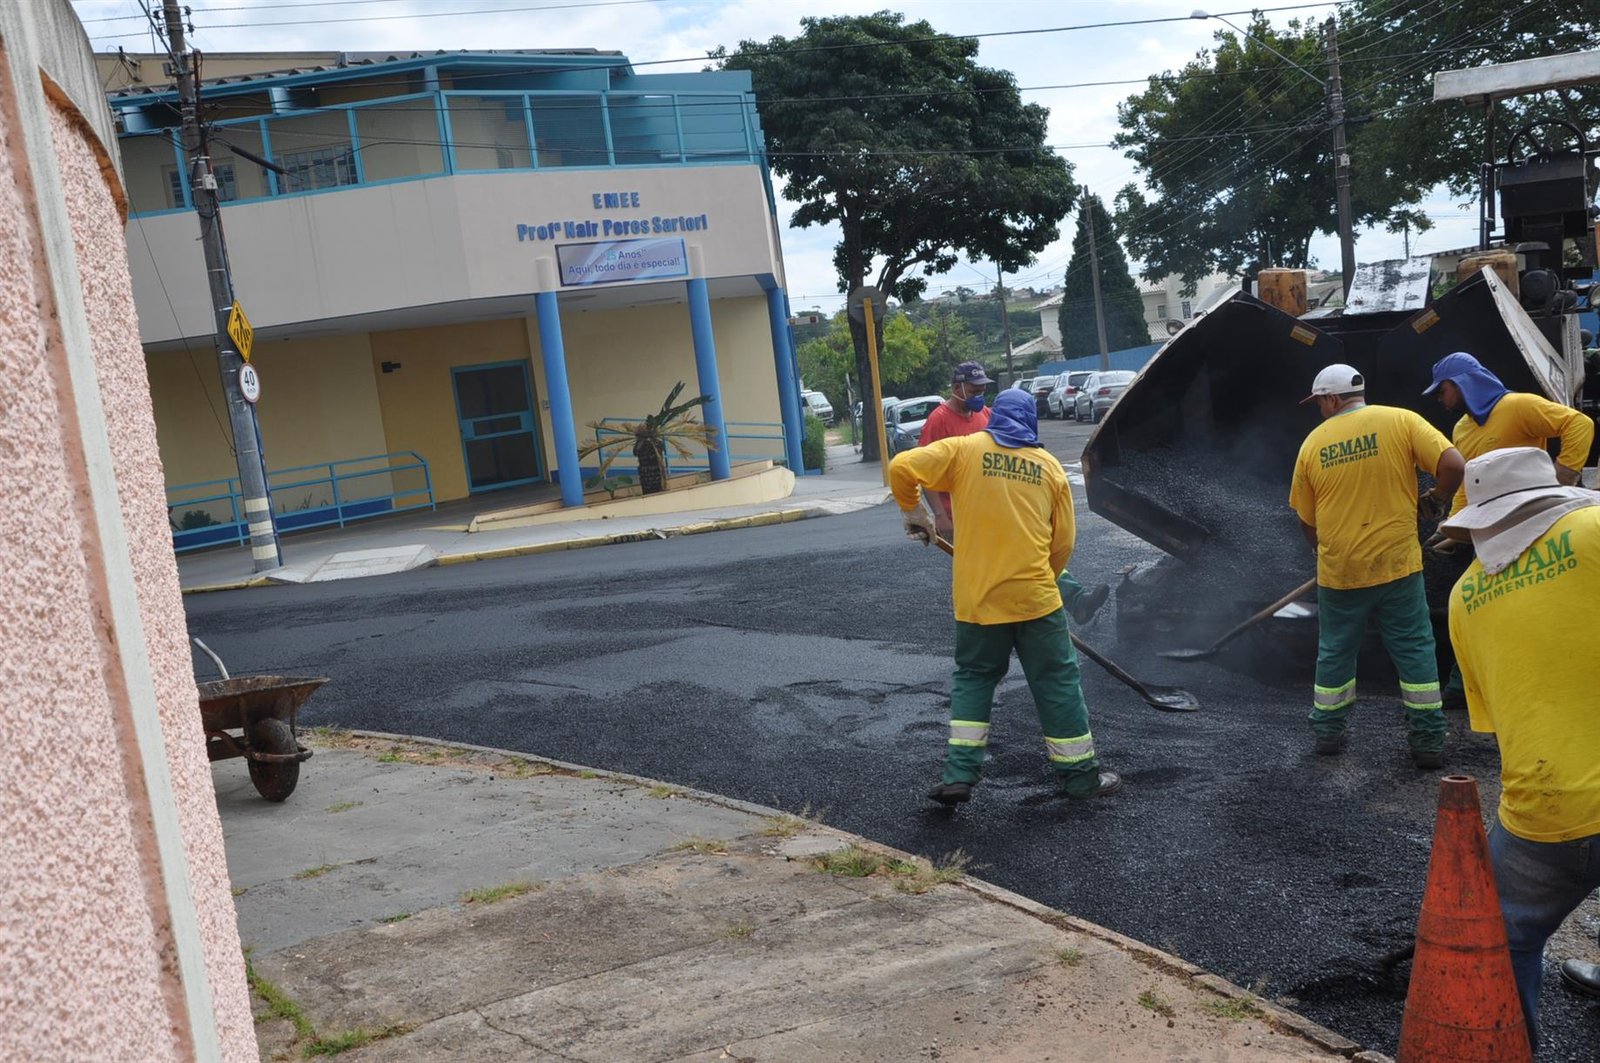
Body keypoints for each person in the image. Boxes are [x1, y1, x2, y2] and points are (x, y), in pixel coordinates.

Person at [1439, 447, 1600, 1048]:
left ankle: (1511, 1049)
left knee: (1503, 938)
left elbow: (1496, 722)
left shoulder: (1463, 598)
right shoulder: (1594, 528)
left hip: (1548, 810)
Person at [890, 388, 1120, 806]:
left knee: (975, 679)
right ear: (1030, 422)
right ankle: (1080, 777)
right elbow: (1063, 543)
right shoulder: (1048, 467)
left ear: (995, 417)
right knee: (1056, 683)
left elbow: (901, 466)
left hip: (978, 601)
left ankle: (960, 774)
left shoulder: (964, 451)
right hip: (1036, 601)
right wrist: (1044, 582)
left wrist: (913, 510)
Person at [1287, 364, 1464, 768]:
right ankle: (1428, 741)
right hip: (1398, 565)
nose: (1320, 409)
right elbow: (1454, 465)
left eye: (1320, 402)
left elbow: (1306, 521)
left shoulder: (1313, 444)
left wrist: (1322, 552)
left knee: (1335, 651)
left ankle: (1328, 733)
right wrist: (1437, 499)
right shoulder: (1402, 421)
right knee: (1415, 649)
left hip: (1341, 572)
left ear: (1332, 398)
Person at [1421, 351, 1595, 710]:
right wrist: (1451, 526)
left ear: (1463, 383)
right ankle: (1465, 684)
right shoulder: (1463, 429)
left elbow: (1579, 424)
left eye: (1442, 390)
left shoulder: (1518, 407)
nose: (1439, 398)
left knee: (1531, 605)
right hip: (1489, 529)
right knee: (1481, 606)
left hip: (1531, 524)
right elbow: (1468, 483)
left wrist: (1564, 474)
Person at [919, 361, 1110, 625]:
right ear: (956, 388)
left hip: (996, 505)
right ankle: (1003, 618)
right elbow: (924, 471)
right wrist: (940, 516)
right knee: (993, 569)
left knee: (1029, 554)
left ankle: (1073, 601)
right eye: (973, 391)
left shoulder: (986, 415)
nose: (979, 396)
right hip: (963, 513)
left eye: (982, 390)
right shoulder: (939, 421)